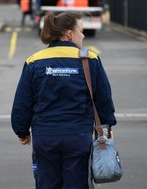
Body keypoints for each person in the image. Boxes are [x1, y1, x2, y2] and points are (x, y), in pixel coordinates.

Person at [11, 12, 117, 189]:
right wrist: (107, 126)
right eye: (81, 31)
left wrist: (21, 130)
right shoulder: (90, 59)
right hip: (78, 135)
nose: (83, 35)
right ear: (69, 34)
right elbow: (103, 99)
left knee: (47, 183)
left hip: (45, 136)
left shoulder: (34, 61)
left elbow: (22, 102)